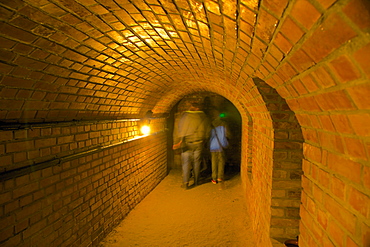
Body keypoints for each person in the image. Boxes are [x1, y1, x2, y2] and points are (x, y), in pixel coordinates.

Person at [173, 102, 210, 189]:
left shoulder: (185, 116)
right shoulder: (204, 117)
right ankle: (196, 181)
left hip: (187, 143)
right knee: (197, 162)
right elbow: (208, 132)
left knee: (186, 163)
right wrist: (205, 141)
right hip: (199, 143)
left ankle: (185, 183)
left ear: (192, 107)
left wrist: (176, 142)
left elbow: (179, 130)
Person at [209, 109, 230, 185]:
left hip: (212, 145)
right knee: (221, 161)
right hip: (220, 145)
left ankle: (214, 178)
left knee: (214, 161)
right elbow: (228, 134)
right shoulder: (224, 124)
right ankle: (220, 177)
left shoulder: (211, 124)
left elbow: (209, 135)